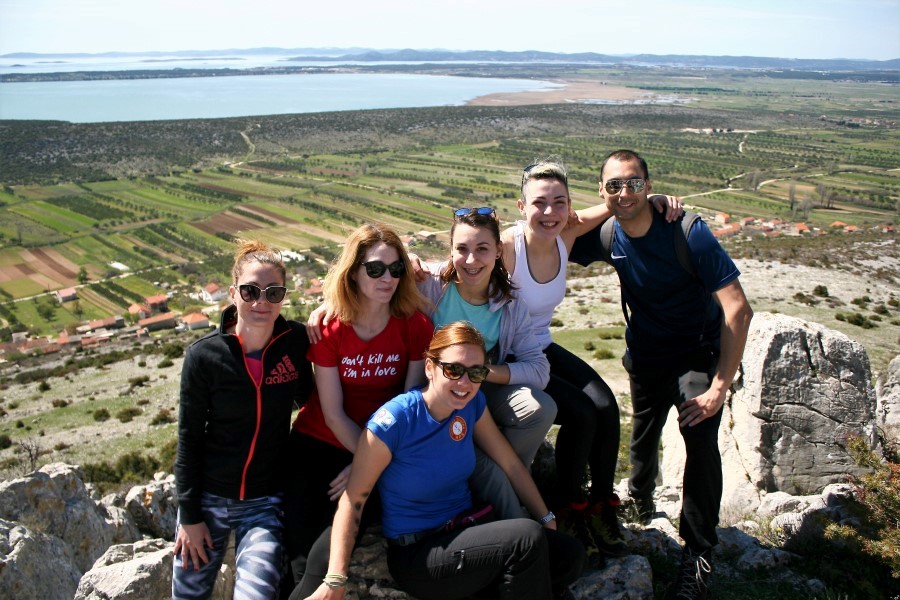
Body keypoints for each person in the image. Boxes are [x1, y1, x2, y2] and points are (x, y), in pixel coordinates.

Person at [569, 149, 753, 599]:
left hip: (696, 356)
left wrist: (719, 387)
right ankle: (639, 496)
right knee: (644, 428)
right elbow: (556, 233)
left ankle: (699, 552)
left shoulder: (688, 232)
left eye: (634, 183)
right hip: (647, 354)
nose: (625, 192)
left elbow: (738, 309)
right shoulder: (608, 233)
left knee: (700, 440)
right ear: (601, 190)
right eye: (614, 185)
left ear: (649, 185)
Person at [304, 322, 585, 600]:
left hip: (464, 531)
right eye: (453, 370)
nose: (465, 382)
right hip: (419, 554)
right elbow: (352, 501)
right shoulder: (396, 420)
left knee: (569, 553)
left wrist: (545, 516)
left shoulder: (471, 405)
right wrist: (336, 578)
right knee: (527, 540)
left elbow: (510, 464)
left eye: (476, 372)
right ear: (430, 367)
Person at [501, 158, 682, 558]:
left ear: (569, 206)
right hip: (511, 354)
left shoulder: (564, 235)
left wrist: (651, 200)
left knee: (606, 405)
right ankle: (569, 509)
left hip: (541, 345)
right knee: (582, 412)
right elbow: (461, 263)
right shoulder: (507, 247)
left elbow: (617, 204)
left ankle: (601, 505)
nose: (549, 212)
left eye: (559, 202)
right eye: (539, 203)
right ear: (522, 206)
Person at [284, 223, 433, 597]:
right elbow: (333, 414)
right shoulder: (331, 328)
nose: (387, 279)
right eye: (376, 269)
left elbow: (409, 406)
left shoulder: (414, 326)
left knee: (324, 555)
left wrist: (369, 464)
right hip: (319, 442)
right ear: (353, 272)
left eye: (396, 269)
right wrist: (368, 459)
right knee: (297, 556)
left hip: (381, 446)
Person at [173, 239, 313, 600]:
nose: (261, 302)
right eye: (250, 291)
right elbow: (189, 439)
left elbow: (311, 403)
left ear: (284, 297)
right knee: (188, 596)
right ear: (233, 292)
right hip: (208, 498)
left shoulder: (295, 341)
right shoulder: (204, 356)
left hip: (264, 501)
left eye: (273, 292)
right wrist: (189, 517)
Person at [415, 206, 556, 519]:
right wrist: (327, 307)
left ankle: (506, 474)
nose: (471, 260)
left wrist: (481, 372)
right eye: (462, 249)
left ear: (498, 251)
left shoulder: (509, 305)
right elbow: (375, 286)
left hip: (476, 390)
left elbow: (539, 369)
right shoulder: (429, 285)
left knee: (540, 408)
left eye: (482, 249)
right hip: (430, 393)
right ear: (451, 251)